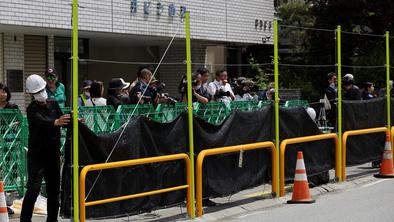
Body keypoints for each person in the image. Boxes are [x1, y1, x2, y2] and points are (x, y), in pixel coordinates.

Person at [21, 74, 70, 222]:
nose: (41, 94)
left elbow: (63, 120)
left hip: (53, 155)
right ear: (31, 94)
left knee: (54, 191)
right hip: (37, 157)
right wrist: (56, 122)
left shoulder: (53, 103)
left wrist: (74, 121)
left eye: (42, 90)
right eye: (37, 92)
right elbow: (43, 122)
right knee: (33, 190)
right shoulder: (32, 110)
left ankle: (52, 220)